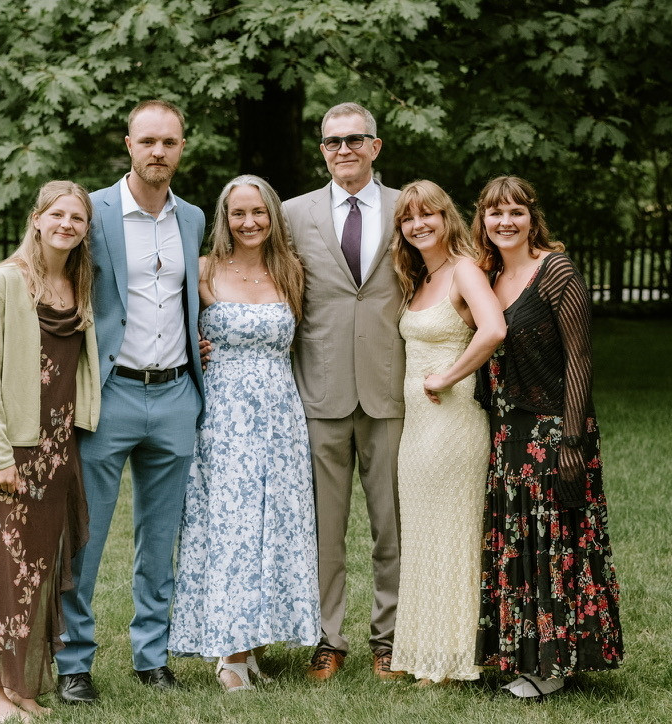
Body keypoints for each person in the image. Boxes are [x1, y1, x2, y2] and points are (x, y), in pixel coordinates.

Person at [55, 100, 206, 702]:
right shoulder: (91, 211)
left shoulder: (192, 218)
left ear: (181, 148)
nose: (158, 152)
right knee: (85, 533)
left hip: (175, 395)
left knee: (160, 537)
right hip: (110, 392)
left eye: (169, 142)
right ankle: (73, 661)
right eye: (148, 141)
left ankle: (152, 656)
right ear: (128, 144)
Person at [471, 175, 623, 698]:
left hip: (555, 428)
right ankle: (529, 658)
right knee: (521, 546)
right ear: (483, 220)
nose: (505, 222)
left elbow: (580, 356)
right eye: (495, 213)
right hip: (507, 432)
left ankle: (556, 667)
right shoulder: (488, 276)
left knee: (555, 546)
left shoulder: (554, 270)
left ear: (532, 218)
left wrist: (574, 442)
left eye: (516, 212)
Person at [168, 175, 320, 691]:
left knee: (271, 528)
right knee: (230, 528)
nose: (249, 222)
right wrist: (198, 351)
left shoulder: (291, 271)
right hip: (224, 417)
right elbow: (171, 329)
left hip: (280, 416)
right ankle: (229, 654)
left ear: (272, 216)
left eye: (258, 212)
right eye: (238, 214)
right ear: (224, 219)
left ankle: (254, 642)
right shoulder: (205, 269)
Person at [0, 180, 99, 722]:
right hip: (12, 450)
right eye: (58, 215)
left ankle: (21, 687)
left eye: (78, 219)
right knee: (3, 570)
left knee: (36, 571)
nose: (68, 225)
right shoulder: (4, 282)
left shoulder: (76, 284)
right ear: (37, 219)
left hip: (59, 448)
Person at [282, 102, 405, 681]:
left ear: (375, 146)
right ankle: (329, 638)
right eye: (333, 142)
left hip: (392, 390)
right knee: (323, 530)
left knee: (392, 524)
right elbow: (261, 282)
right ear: (322, 149)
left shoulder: (411, 208)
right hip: (320, 392)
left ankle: (391, 638)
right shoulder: (291, 214)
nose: (344, 150)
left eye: (355, 139)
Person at [386, 180, 505, 685]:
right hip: (417, 430)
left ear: (446, 218)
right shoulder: (421, 277)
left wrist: (449, 375)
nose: (418, 225)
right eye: (408, 218)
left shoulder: (463, 270)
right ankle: (426, 652)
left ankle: (458, 656)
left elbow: (494, 328)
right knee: (423, 535)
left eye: (427, 215)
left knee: (454, 535)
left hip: (453, 424)